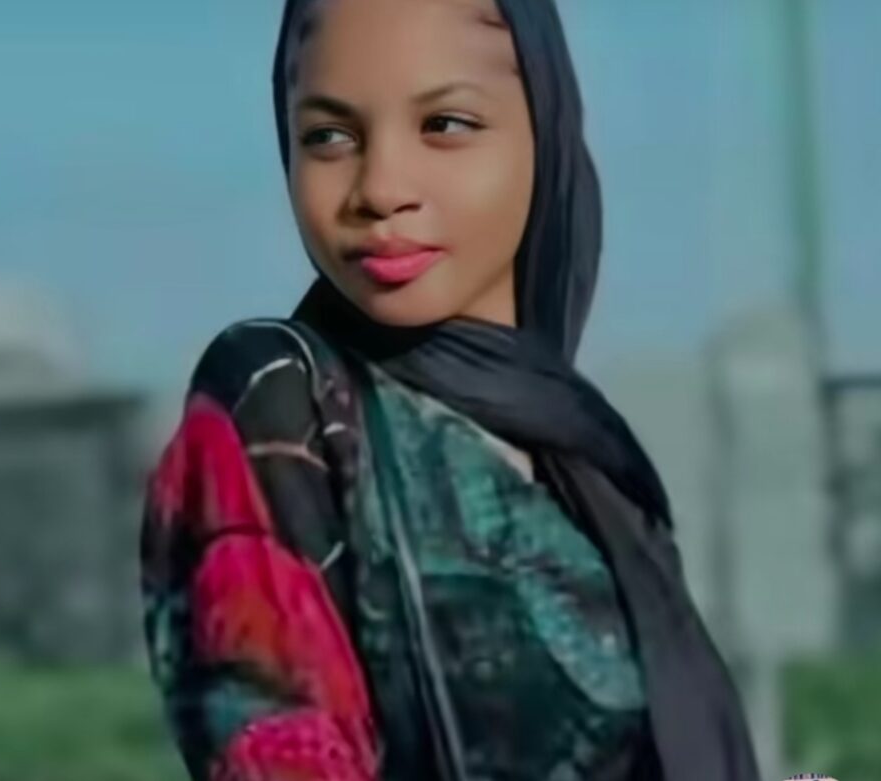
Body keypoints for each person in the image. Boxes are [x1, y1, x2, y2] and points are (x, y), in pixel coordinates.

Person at [139, 1, 763, 779]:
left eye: (445, 124)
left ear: (545, 133)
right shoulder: (281, 394)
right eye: (328, 136)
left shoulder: (591, 469)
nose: (380, 188)